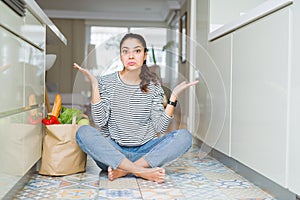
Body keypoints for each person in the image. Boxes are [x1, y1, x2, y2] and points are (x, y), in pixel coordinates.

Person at [73, 33, 199, 183]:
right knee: (83, 132)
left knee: (184, 137)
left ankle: (125, 170)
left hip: (146, 153)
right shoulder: (106, 82)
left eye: (137, 51)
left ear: (145, 55)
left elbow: (160, 127)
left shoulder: (153, 86)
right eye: (125, 51)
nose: (131, 56)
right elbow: (100, 121)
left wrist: (173, 98)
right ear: (121, 56)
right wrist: (94, 85)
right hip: (114, 153)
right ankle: (139, 171)